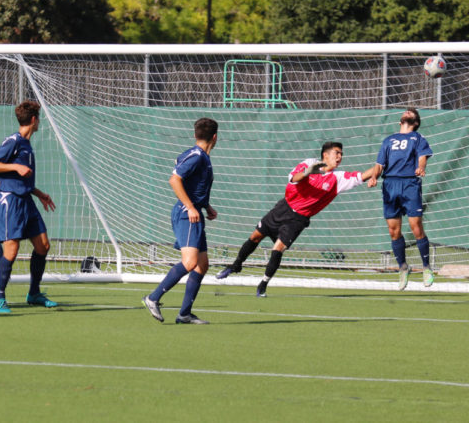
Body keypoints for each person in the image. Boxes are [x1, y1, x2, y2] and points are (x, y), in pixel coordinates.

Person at [215, 141, 378, 296]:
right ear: (325, 155)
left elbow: (363, 175)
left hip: (298, 219)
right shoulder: (309, 163)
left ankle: (263, 284)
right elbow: (293, 179)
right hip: (283, 208)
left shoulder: (338, 178)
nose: (340, 157)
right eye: (337, 153)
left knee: (278, 249)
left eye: (341, 154)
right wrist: (308, 172)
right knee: (255, 237)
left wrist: (381, 165)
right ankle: (236, 265)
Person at [142, 118, 218, 325]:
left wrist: (206, 206)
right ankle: (153, 297)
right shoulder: (197, 157)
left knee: (202, 265)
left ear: (195, 135)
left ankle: (184, 314)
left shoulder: (201, 156)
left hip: (194, 212)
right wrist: (192, 207)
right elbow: (174, 180)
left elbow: (195, 186)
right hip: (186, 213)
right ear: (215, 137)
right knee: (190, 262)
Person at [0, 100, 58, 314]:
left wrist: (39, 193)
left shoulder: (26, 144)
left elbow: (21, 177)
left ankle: (34, 293)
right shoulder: (13, 141)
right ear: (34, 120)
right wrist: (15, 166)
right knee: (12, 249)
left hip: (26, 199)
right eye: (39, 119)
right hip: (11, 202)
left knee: (43, 245)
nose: (39, 123)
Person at [368, 108, 434, 290]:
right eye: (406, 111)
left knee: (416, 227)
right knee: (393, 231)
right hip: (390, 185)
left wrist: (421, 167)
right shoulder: (388, 140)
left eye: (411, 113)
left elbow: (422, 157)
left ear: (415, 122)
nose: (407, 112)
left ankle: (427, 267)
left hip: (409, 184)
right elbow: (379, 164)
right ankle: (403, 267)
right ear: (400, 121)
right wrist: (374, 176)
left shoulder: (418, 138)